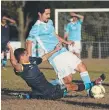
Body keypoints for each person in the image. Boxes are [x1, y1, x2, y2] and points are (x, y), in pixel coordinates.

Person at [26, 5, 105, 95]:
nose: (48, 16)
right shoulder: (36, 27)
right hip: (54, 56)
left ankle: (89, 91)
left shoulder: (50, 22)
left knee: (81, 66)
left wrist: (66, 42)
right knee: (68, 80)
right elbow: (29, 41)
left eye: (49, 14)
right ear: (39, 14)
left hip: (63, 50)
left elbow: (54, 35)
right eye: (46, 14)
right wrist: (28, 56)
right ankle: (44, 87)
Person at [7, 42, 103, 99]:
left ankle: (28, 96)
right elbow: (13, 62)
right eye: (27, 54)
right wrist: (11, 49)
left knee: (39, 93)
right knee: (69, 86)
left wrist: (55, 50)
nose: (29, 54)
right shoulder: (22, 68)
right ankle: (93, 84)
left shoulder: (31, 60)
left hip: (41, 90)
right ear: (22, 56)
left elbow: (43, 58)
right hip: (51, 92)